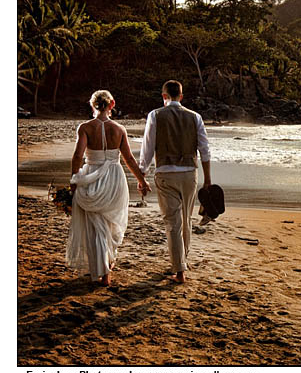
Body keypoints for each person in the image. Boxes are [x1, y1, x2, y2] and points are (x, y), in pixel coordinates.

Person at [66, 90, 151, 287]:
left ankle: (102, 270)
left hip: (91, 176)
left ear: (93, 105)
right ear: (112, 105)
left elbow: (78, 156)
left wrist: (74, 181)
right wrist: (142, 181)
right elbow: (129, 159)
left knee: (95, 226)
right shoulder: (119, 129)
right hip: (114, 177)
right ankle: (106, 267)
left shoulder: (85, 128)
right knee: (110, 224)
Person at [139, 80, 211, 284]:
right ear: (181, 96)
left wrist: (142, 174)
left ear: (163, 97)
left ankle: (179, 269)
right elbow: (205, 150)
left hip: (165, 173)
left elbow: (148, 147)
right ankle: (182, 262)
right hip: (190, 173)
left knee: (172, 222)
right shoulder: (195, 117)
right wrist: (208, 180)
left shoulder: (155, 115)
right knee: (186, 220)